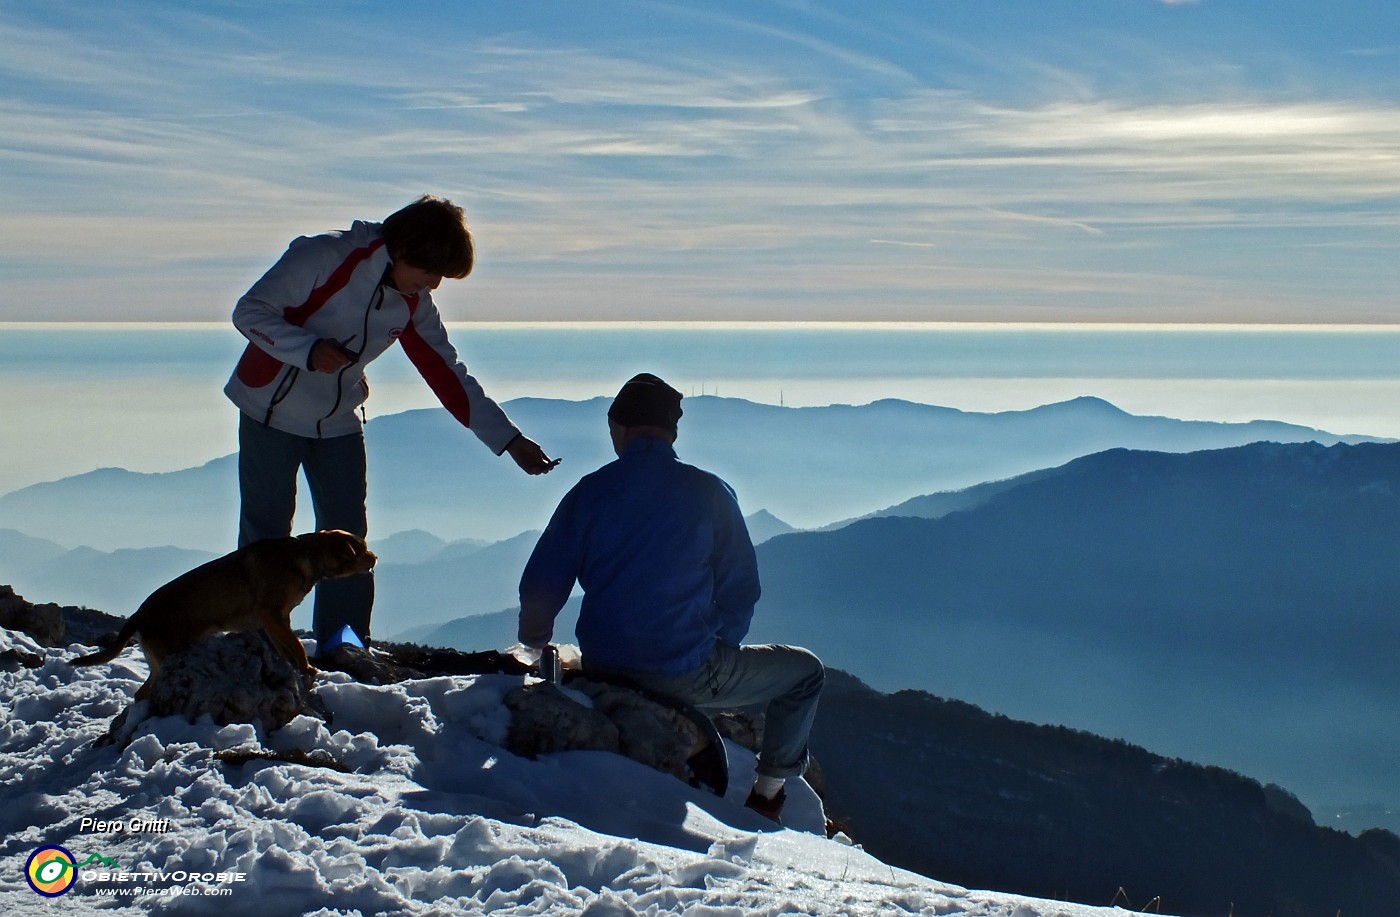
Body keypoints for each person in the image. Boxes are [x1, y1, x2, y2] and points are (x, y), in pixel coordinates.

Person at [225, 194, 556, 653]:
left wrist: (510, 439)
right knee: (266, 534)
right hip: (269, 411)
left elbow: (446, 373)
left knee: (349, 541)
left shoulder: (410, 299)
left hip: (338, 419)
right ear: (402, 251)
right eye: (431, 271)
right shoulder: (325, 256)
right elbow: (249, 312)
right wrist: (307, 350)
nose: (434, 285)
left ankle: (344, 645)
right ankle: (256, 644)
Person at [517, 372, 824, 822]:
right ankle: (768, 794)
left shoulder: (589, 492)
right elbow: (742, 587)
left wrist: (534, 644)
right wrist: (719, 641)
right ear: (672, 431)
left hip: (604, 665)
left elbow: (540, 586)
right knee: (806, 674)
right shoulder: (709, 492)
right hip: (684, 671)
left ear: (617, 427)